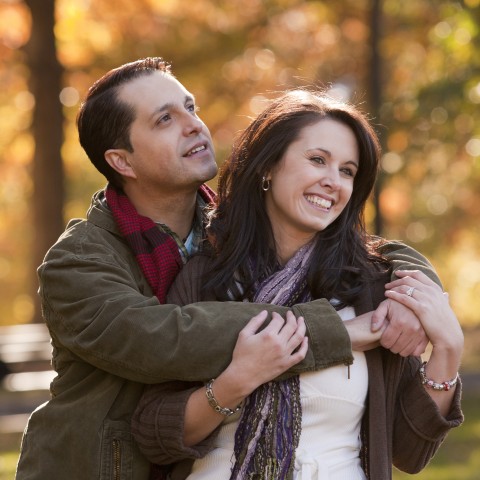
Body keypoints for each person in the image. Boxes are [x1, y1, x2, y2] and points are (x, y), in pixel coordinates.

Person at [15, 57, 444, 480]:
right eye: (165, 119)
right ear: (122, 161)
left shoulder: (225, 236)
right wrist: (339, 330)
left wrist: (414, 293)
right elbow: (168, 337)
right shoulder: (78, 261)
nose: (193, 125)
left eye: (190, 107)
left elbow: (366, 250)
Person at [131, 90, 464, 479]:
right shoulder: (205, 277)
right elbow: (153, 433)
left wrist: (448, 351)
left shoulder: (373, 288)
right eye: (317, 160)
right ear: (268, 166)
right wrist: (237, 380)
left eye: (347, 171)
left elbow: (410, 453)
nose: (332, 182)